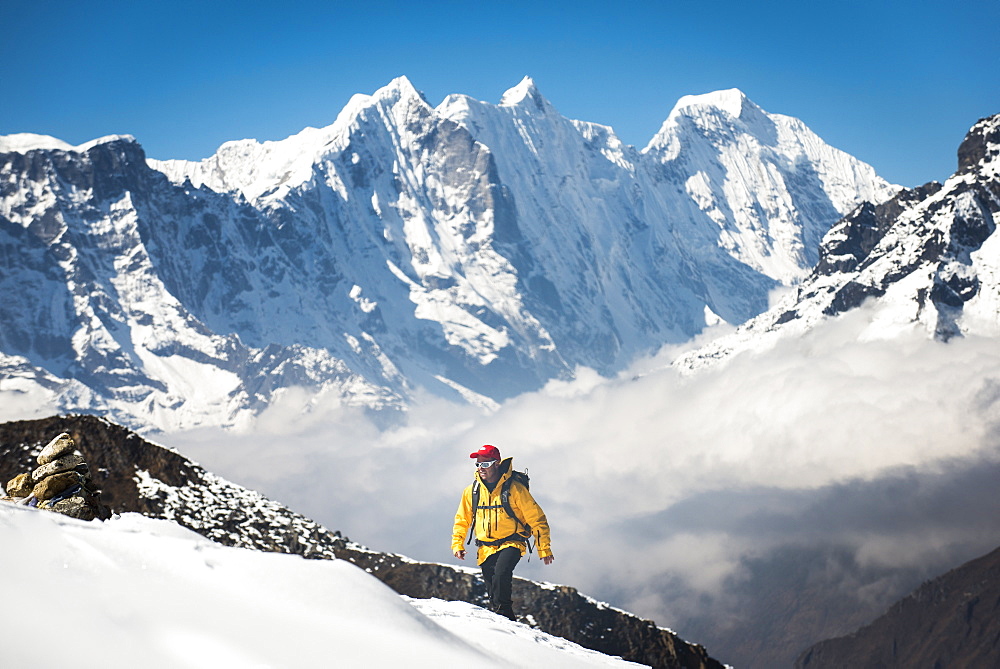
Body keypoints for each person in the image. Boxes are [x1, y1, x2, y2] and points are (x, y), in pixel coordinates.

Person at [452, 444, 554, 620]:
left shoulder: (515, 489)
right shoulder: (471, 491)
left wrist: (544, 549)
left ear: (496, 464)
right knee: (493, 593)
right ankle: (507, 622)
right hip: (485, 548)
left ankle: (506, 621)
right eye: (478, 464)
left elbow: (537, 519)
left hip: (512, 542)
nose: (480, 469)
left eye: (485, 464)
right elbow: (462, 519)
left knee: (501, 575)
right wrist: (457, 544)